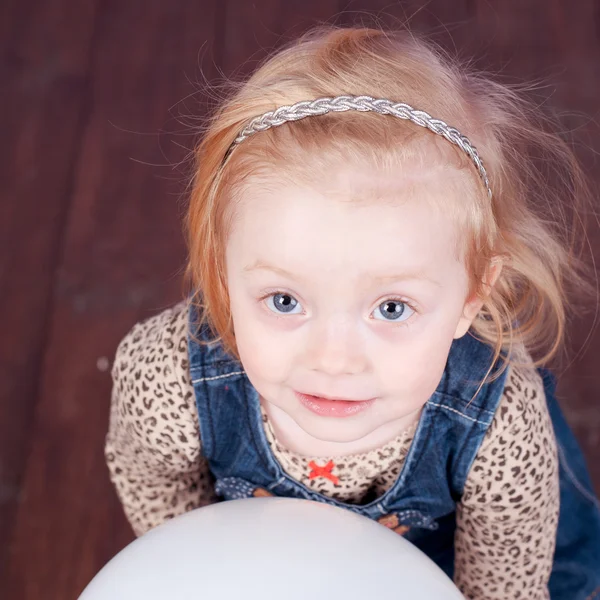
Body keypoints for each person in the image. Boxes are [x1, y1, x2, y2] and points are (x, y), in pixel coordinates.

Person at [104, 25, 600, 599]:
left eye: (391, 308)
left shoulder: (495, 416)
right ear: (220, 272)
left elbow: (503, 587)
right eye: (285, 301)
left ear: (472, 296)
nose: (334, 360)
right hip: (265, 556)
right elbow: (160, 495)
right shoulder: (168, 376)